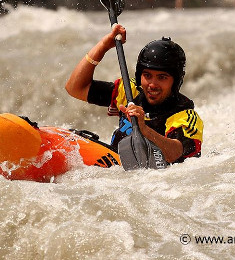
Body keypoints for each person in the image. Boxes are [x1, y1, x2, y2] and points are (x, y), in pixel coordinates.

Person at [65, 24, 203, 164]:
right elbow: (75, 88)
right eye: (147, 75)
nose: (153, 84)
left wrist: (144, 129)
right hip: (114, 165)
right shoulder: (130, 92)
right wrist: (104, 46)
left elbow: (175, 153)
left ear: (176, 81)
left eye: (162, 77)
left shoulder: (185, 116)